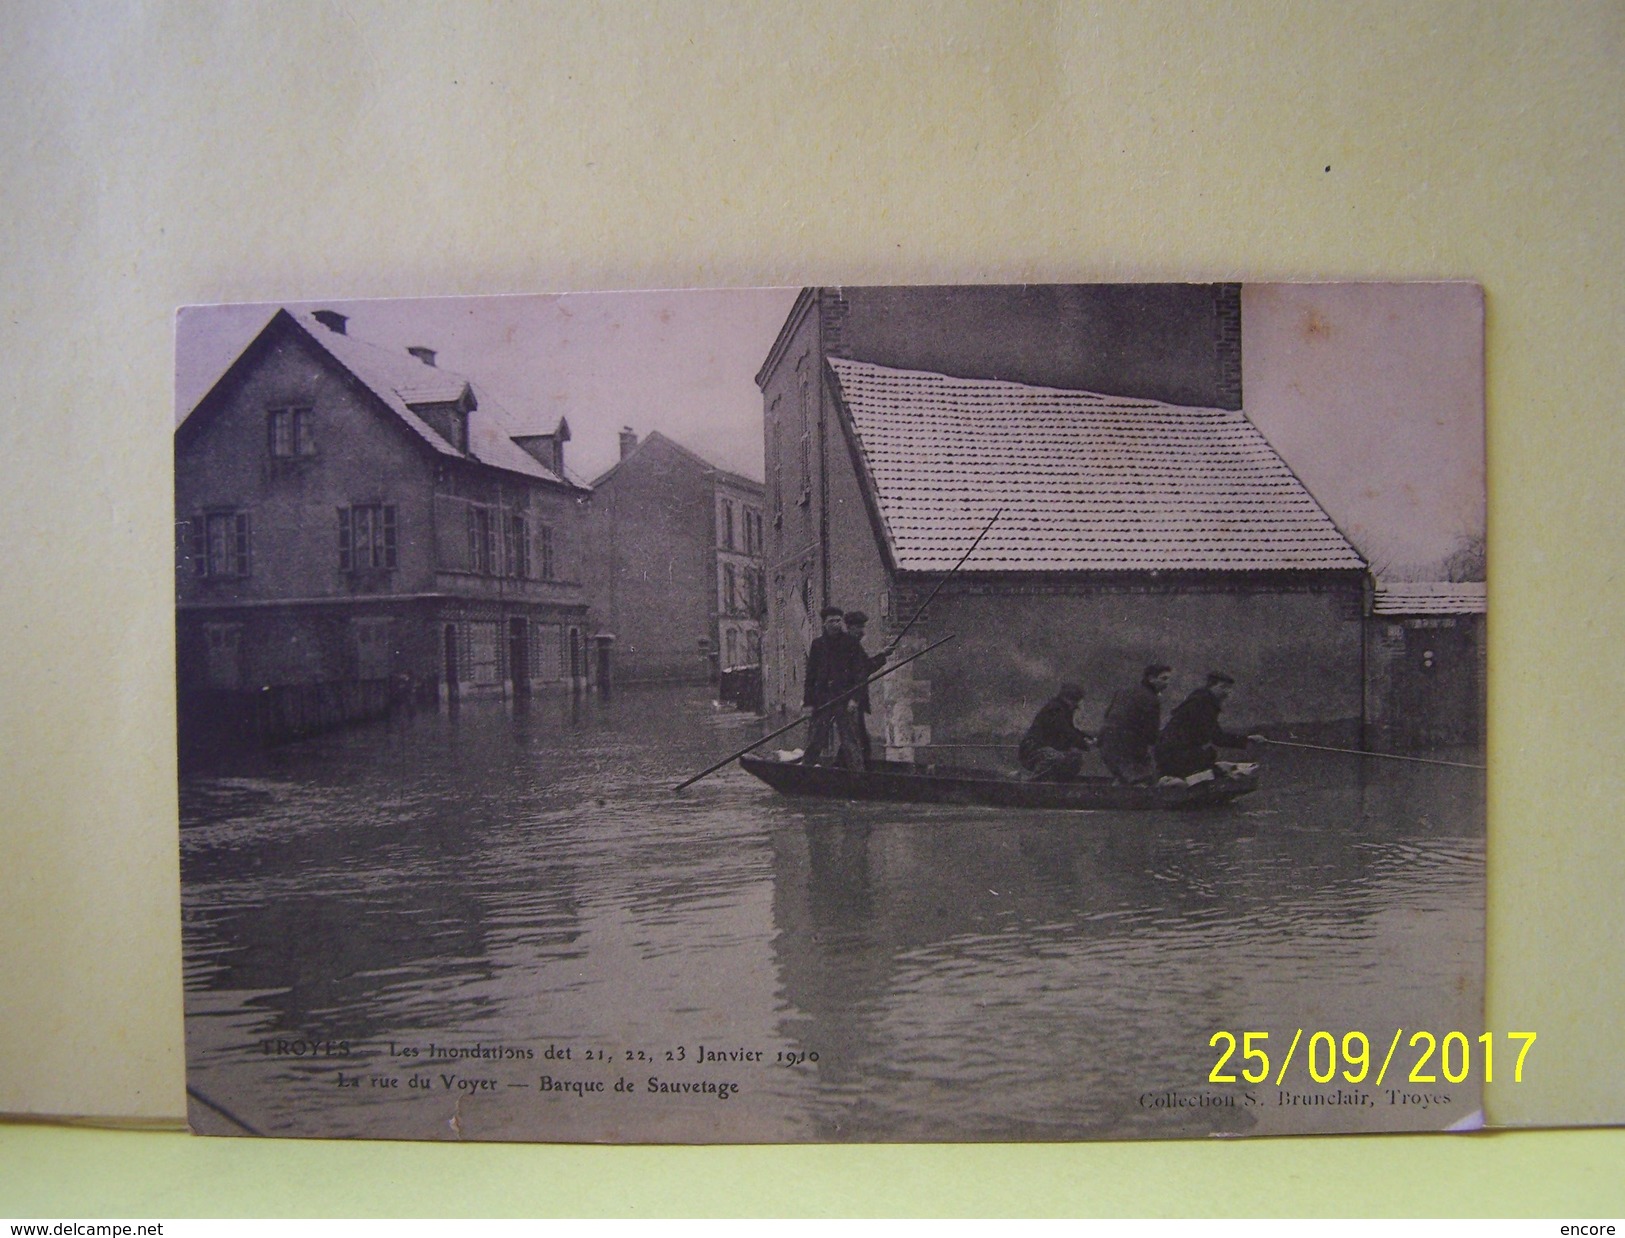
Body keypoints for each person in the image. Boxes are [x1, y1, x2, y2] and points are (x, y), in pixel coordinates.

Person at [1154, 671, 1258, 779]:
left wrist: (1247, 739)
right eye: (1223, 687)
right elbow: (1217, 737)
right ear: (1211, 686)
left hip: (1170, 753)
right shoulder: (1203, 704)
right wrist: (1247, 740)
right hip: (1175, 754)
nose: (1227, 692)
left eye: (1229, 688)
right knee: (1213, 764)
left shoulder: (1201, 700)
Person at [802, 606, 864, 768]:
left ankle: (858, 775)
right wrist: (808, 703)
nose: (836, 624)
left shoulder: (851, 643)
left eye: (838, 621)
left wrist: (854, 699)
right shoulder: (817, 645)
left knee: (850, 740)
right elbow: (810, 676)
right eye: (832, 621)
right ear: (824, 623)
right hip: (823, 700)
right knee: (816, 738)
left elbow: (859, 674)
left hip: (845, 698)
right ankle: (805, 771)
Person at [1098, 663, 1172, 784]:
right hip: (1128, 747)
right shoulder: (1152, 699)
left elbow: (1108, 715)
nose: (1167, 683)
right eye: (1163, 678)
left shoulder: (1123, 691)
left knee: (1124, 778)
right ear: (1151, 678)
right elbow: (1151, 735)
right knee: (1145, 780)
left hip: (1106, 743)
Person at [1018, 682, 1096, 782]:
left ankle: (1056, 781)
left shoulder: (1063, 709)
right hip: (1033, 749)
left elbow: (1071, 729)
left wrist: (1089, 738)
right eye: (1075, 702)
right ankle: (1031, 781)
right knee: (1055, 758)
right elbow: (1065, 732)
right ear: (1068, 699)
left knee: (1075, 759)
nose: (1076, 706)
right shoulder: (1055, 709)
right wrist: (1084, 743)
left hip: (1044, 748)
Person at [842, 610, 888, 763]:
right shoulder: (847, 646)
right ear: (849, 627)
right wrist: (853, 699)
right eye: (859, 628)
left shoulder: (854, 645)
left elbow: (865, 668)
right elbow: (857, 675)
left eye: (863, 627)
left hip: (855, 701)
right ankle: (861, 777)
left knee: (855, 740)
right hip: (850, 702)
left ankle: (843, 769)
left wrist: (883, 655)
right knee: (858, 741)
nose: (862, 632)